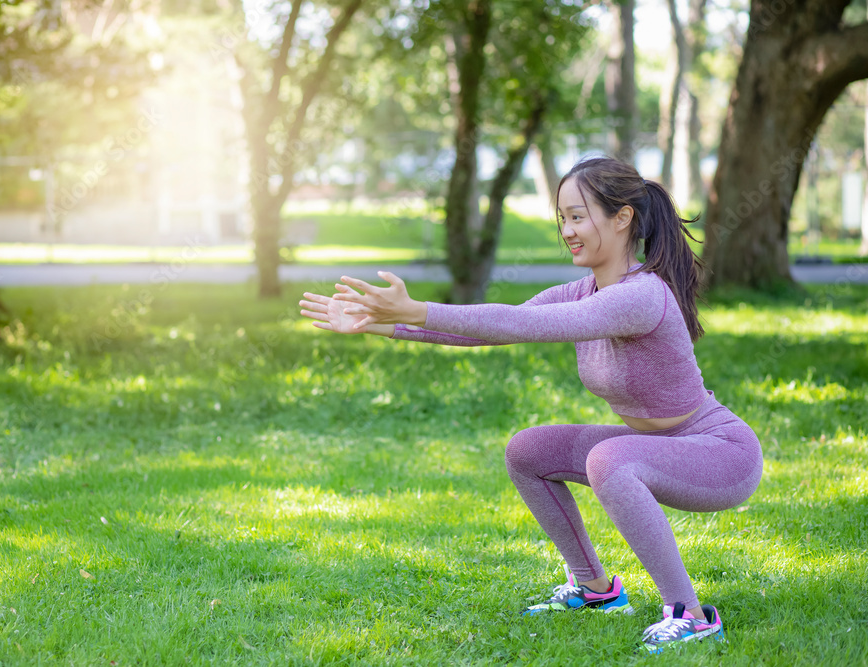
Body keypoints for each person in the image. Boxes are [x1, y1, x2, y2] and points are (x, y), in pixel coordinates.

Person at [297, 156, 762, 654]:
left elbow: (518, 326)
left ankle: (690, 614)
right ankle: (595, 590)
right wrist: (382, 323)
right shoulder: (583, 290)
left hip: (719, 452)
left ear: (622, 218)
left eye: (579, 216)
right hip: (655, 443)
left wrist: (418, 307)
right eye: (562, 218)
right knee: (529, 451)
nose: (568, 230)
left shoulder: (642, 295)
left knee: (610, 459)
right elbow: (498, 327)